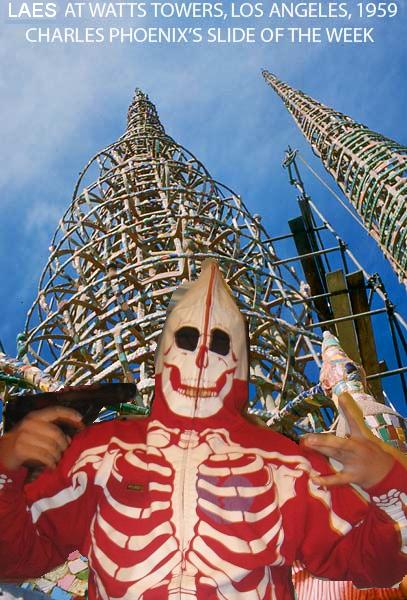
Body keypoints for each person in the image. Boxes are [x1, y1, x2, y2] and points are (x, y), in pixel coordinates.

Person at [0, 259, 406, 600]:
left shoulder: (289, 463)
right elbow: (16, 557)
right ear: (164, 353)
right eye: (187, 340)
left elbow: (374, 566)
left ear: (239, 362)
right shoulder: (99, 450)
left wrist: (389, 484)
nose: (200, 361)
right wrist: (5, 468)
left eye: (220, 345)